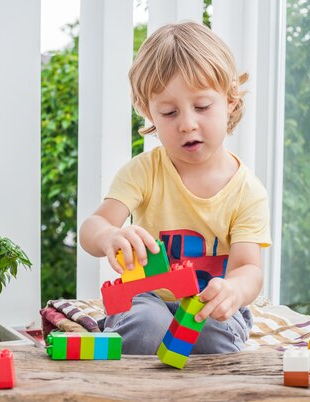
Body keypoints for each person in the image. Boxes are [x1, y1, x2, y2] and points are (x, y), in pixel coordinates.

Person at [79, 21, 271, 355]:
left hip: (210, 303)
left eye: (201, 107)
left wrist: (234, 291)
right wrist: (109, 236)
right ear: (146, 110)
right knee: (146, 328)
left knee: (212, 332)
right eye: (169, 112)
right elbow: (92, 229)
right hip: (146, 298)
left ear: (230, 100)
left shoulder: (248, 191)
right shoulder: (143, 172)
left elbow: (248, 268)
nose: (187, 124)